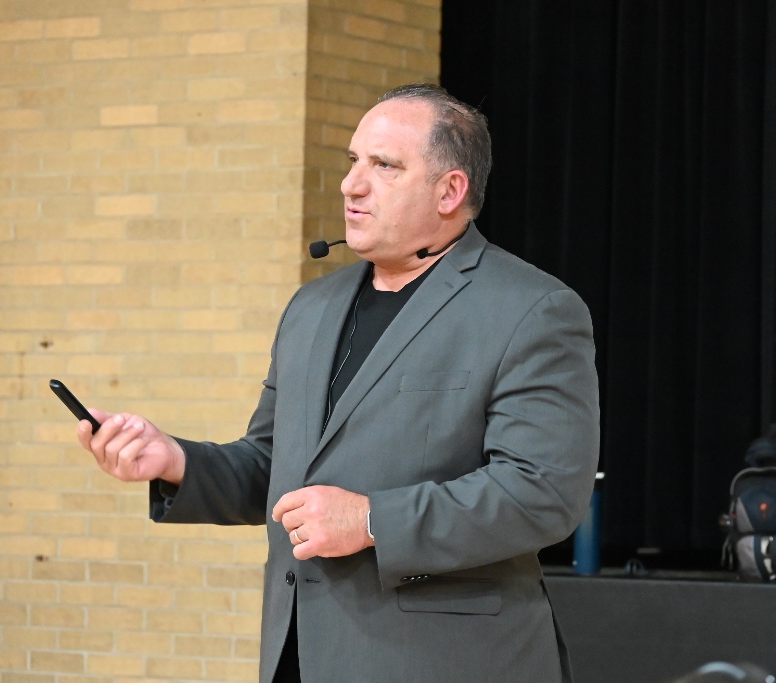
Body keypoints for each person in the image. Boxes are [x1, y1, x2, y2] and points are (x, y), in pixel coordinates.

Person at [77, 84, 600, 683]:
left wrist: (373, 521)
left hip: (443, 662)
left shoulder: (531, 309)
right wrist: (175, 462)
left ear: (450, 191)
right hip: (299, 656)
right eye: (353, 161)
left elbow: (541, 492)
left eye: (384, 166)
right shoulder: (312, 307)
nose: (352, 184)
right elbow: (274, 468)